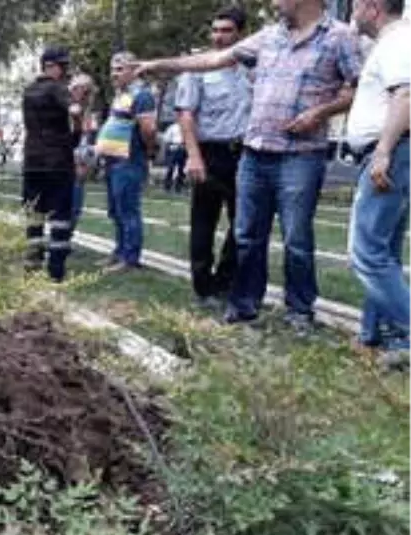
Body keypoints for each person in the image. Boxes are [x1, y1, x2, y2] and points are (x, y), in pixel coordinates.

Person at [134, 0, 363, 331]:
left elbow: (359, 87)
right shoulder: (268, 37)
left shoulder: (339, 37)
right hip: (254, 154)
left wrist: (320, 113)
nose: (273, 3)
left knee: (296, 238)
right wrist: (160, 63)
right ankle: (244, 306)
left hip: (300, 155)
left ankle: (299, 311)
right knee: (246, 235)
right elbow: (212, 59)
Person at [343, 0, 411, 368]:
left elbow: (407, 95)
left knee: (365, 253)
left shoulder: (399, 41)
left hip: (391, 151)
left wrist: (383, 151)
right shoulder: (392, 41)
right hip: (396, 151)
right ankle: (377, 335)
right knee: (385, 253)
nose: (351, 13)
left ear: (372, 7)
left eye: (354, 5)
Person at [172, 6, 253, 307]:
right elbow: (185, 114)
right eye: (215, 30)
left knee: (243, 223)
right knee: (204, 222)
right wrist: (194, 156)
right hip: (209, 153)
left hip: (246, 155)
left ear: (241, 34)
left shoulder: (253, 68)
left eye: (226, 31)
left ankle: (226, 281)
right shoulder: (198, 67)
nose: (219, 37)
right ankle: (203, 288)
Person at [21, 45, 85, 281]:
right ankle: (56, 269)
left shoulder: (28, 91)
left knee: (34, 215)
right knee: (60, 217)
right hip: (57, 163)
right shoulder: (57, 89)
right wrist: (77, 105)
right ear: (50, 66)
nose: (66, 71)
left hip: (32, 161)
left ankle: (33, 262)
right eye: (63, 66)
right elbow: (74, 109)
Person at [95, 51, 158, 272]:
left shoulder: (142, 95)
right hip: (113, 162)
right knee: (116, 210)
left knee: (128, 210)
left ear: (134, 69)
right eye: (112, 69)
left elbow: (149, 129)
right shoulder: (121, 95)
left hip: (129, 161)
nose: (114, 74)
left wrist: (148, 153)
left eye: (120, 69)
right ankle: (119, 252)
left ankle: (130, 258)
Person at [70, 75, 99, 225]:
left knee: (75, 209)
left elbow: (89, 143)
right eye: (80, 89)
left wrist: (86, 165)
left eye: (88, 91)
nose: (84, 94)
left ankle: (65, 239)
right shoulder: (66, 108)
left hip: (80, 166)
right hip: (64, 165)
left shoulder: (89, 114)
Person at [162, 123, 187, 192]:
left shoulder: (188, 127)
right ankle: (167, 186)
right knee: (170, 167)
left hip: (184, 148)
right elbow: (166, 139)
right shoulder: (173, 127)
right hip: (174, 148)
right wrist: (167, 150)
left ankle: (179, 187)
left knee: (182, 169)